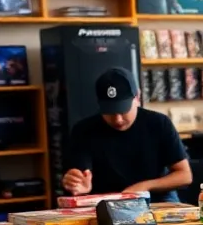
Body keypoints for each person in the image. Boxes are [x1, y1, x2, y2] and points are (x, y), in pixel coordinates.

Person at [62, 68, 192, 202]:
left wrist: (145, 187)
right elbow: (81, 176)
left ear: (137, 97)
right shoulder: (84, 130)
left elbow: (184, 175)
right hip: (106, 200)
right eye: (110, 112)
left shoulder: (159, 123)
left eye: (123, 109)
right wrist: (77, 184)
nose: (117, 119)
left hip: (156, 197)